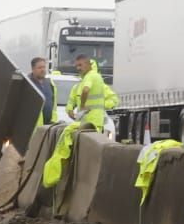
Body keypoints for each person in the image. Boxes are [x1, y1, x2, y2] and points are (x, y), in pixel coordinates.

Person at [44, 55, 120, 189]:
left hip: (95, 122)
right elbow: (71, 102)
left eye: (81, 66)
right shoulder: (77, 86)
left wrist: (100, 106)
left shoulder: (95, 80)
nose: (78, 69)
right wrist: (70, 111)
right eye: (77, 66)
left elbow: (113, 100)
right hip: (84, 122)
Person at [28, 57, 55, 125]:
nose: (43, 70)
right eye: (39, 67)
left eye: (44, 67)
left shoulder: (50, 83)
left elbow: (53, 104)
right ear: (33, 69)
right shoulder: (27, 83)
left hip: (48, 126)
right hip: (32, 127)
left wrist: (54, 120)